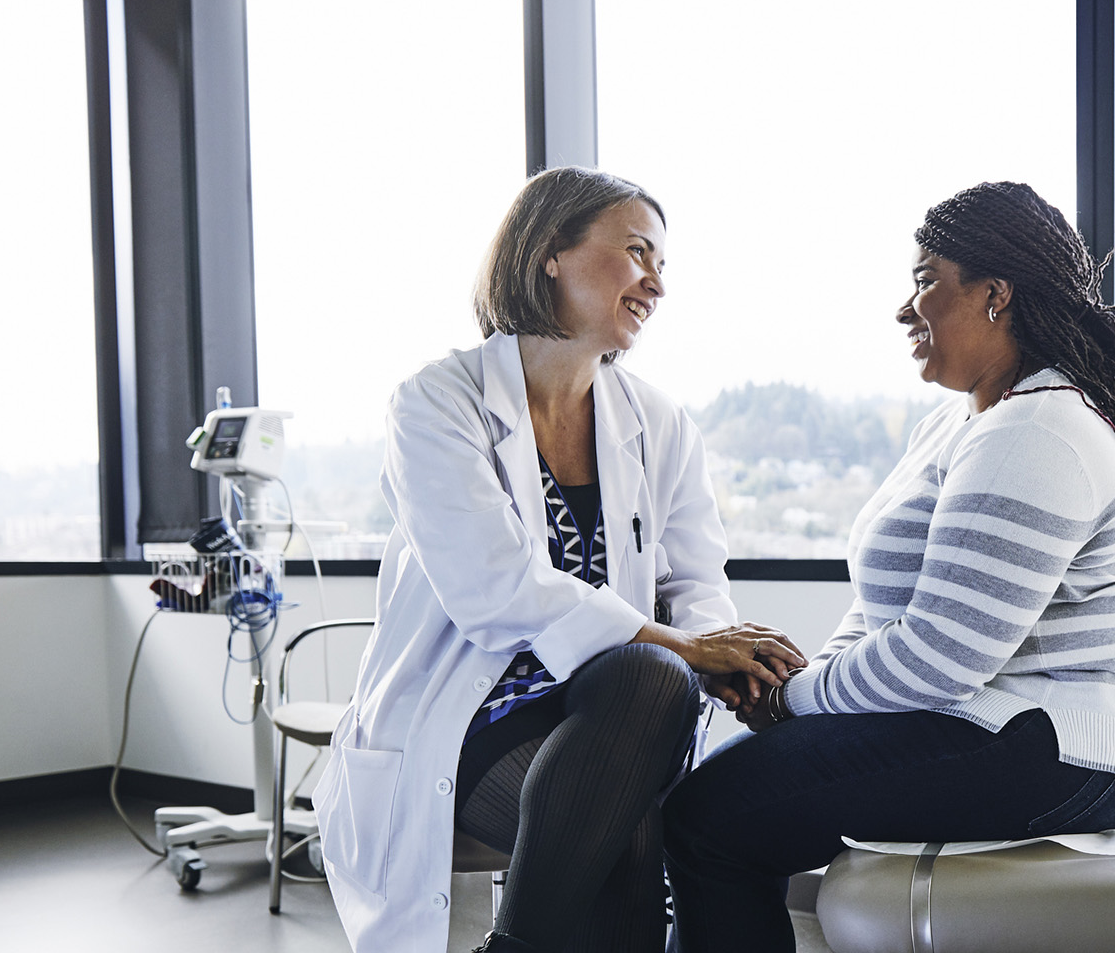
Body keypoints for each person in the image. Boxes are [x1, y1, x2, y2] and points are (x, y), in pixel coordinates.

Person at [661, 181, 1115, 952]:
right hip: (991, 721)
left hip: (1055, 750)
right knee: (726, 790)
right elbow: (880, 616)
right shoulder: (958, 425)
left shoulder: (1038, 430)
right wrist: (796, 688)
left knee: (712, 817)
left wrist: (792, 702)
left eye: (924, 281)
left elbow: (942, 655)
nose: (905, 310)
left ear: (995, 295)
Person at [314, 167, 806, 953]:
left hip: (617, 711)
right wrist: (684, 646)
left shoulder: (658, 421)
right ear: (550, 252)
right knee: (628, 845)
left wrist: (720, 653)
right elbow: (492, 589)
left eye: (663, 265)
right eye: (638, 253)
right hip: (472, 716)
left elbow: (695, 581)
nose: (656, 284)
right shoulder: (438, 403)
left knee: (651, 680)